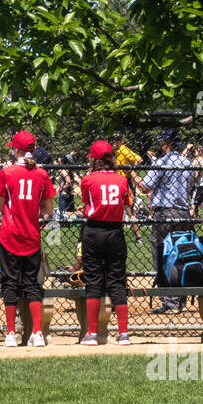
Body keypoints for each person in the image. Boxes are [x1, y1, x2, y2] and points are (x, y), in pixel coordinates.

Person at [0, 130, 55, 347]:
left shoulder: (7, 172)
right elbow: (48, 208)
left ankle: (10, 333)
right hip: (31, 235)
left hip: (10, 235)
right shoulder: (42, 174)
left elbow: (0, 207)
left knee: (9, 282)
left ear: (16, 150)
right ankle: (37, 333)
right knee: (32, 284)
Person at [78, 141, 131, 345]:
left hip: (94, 230)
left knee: (93, 281)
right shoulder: (122, 179)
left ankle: (92, 333)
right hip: (115, 231)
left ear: (95, 159)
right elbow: (125, 204)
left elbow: (87, 202)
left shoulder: (88, 179)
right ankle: (123, 333)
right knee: (117, 280)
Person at [137, 129, 195, 314]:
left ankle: (170, 302)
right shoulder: (188, 163)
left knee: (162, 254)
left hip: (165, 213)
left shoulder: (162, 162)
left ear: (165, 144)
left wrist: (131, 173)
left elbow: (145, 187)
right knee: (181, 254)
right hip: (184, 213)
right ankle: (180, 300)